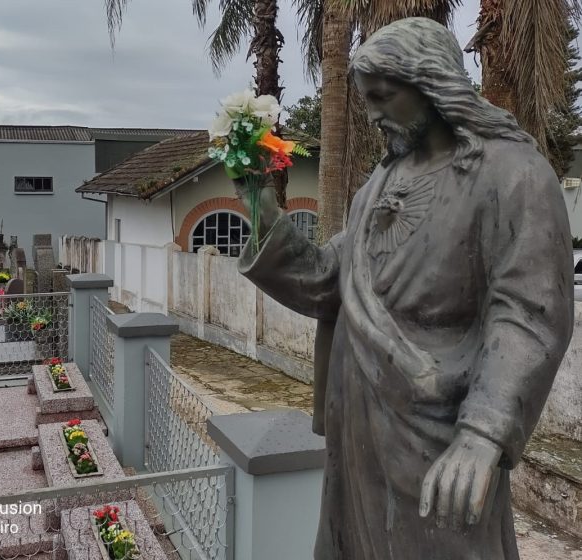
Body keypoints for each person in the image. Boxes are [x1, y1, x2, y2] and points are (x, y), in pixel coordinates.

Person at [236, 17, 575, 560]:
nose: (371, 113)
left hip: (437, 431)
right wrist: (263, 217)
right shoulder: (380, 184)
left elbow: (529, 315)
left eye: (382, 96)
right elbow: (331, 282)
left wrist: (484, 432)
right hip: (358, 427)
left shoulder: (513, 176)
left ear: (430, 85)